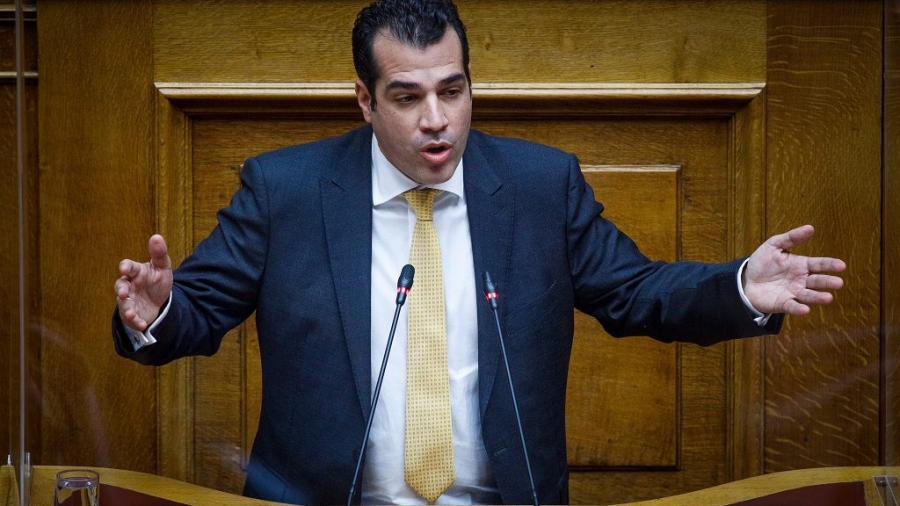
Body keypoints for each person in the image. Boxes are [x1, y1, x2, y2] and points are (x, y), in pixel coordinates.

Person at [112, 0, 846, 504]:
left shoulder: (540, 185)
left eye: (452, 91)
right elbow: (197, 312)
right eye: (407, 97)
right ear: (365, 100)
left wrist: (740, 286)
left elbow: (636, 292)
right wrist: (158, 311)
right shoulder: (286, 191)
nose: (436, 120)